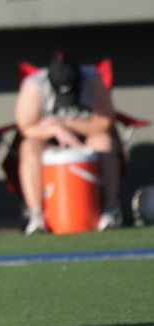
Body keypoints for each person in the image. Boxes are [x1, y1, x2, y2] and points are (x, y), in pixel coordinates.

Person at [15, 51, 120, 234]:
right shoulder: (34, 85)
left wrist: (68, 124)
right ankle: (36, 215)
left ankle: (109, 210)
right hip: (49, 139)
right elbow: (26, 126)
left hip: (85, 136)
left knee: (105, 142)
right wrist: (55, 130)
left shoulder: (92, 79)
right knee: (28, 146)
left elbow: (104, 122)